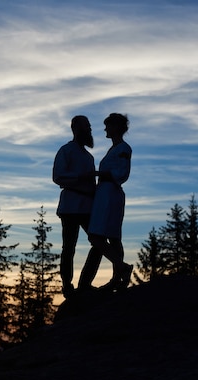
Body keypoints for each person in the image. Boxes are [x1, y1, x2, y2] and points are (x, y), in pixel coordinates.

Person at [53, 115, 102, 298]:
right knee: (69, 247)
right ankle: (67, 285)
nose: (89, 130)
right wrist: (79, 177)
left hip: (88, 207)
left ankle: (85, 283)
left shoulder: (88, 156)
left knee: (99, 243)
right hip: (71, 206)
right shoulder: (66, 151)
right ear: (76, 129)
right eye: (86, 127)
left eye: (89, 127)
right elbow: (58, 176)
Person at [86, 113, 134, 292]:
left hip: (110, 194)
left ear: (116, 127)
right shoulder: (115, 149)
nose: (105, 129)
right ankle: (118, 276)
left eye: (108, 126)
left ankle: (121, 268)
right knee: (113, 238)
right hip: (105, 193)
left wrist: (95, 174)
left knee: (97, 236)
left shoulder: (123, 149)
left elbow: (121, 173)